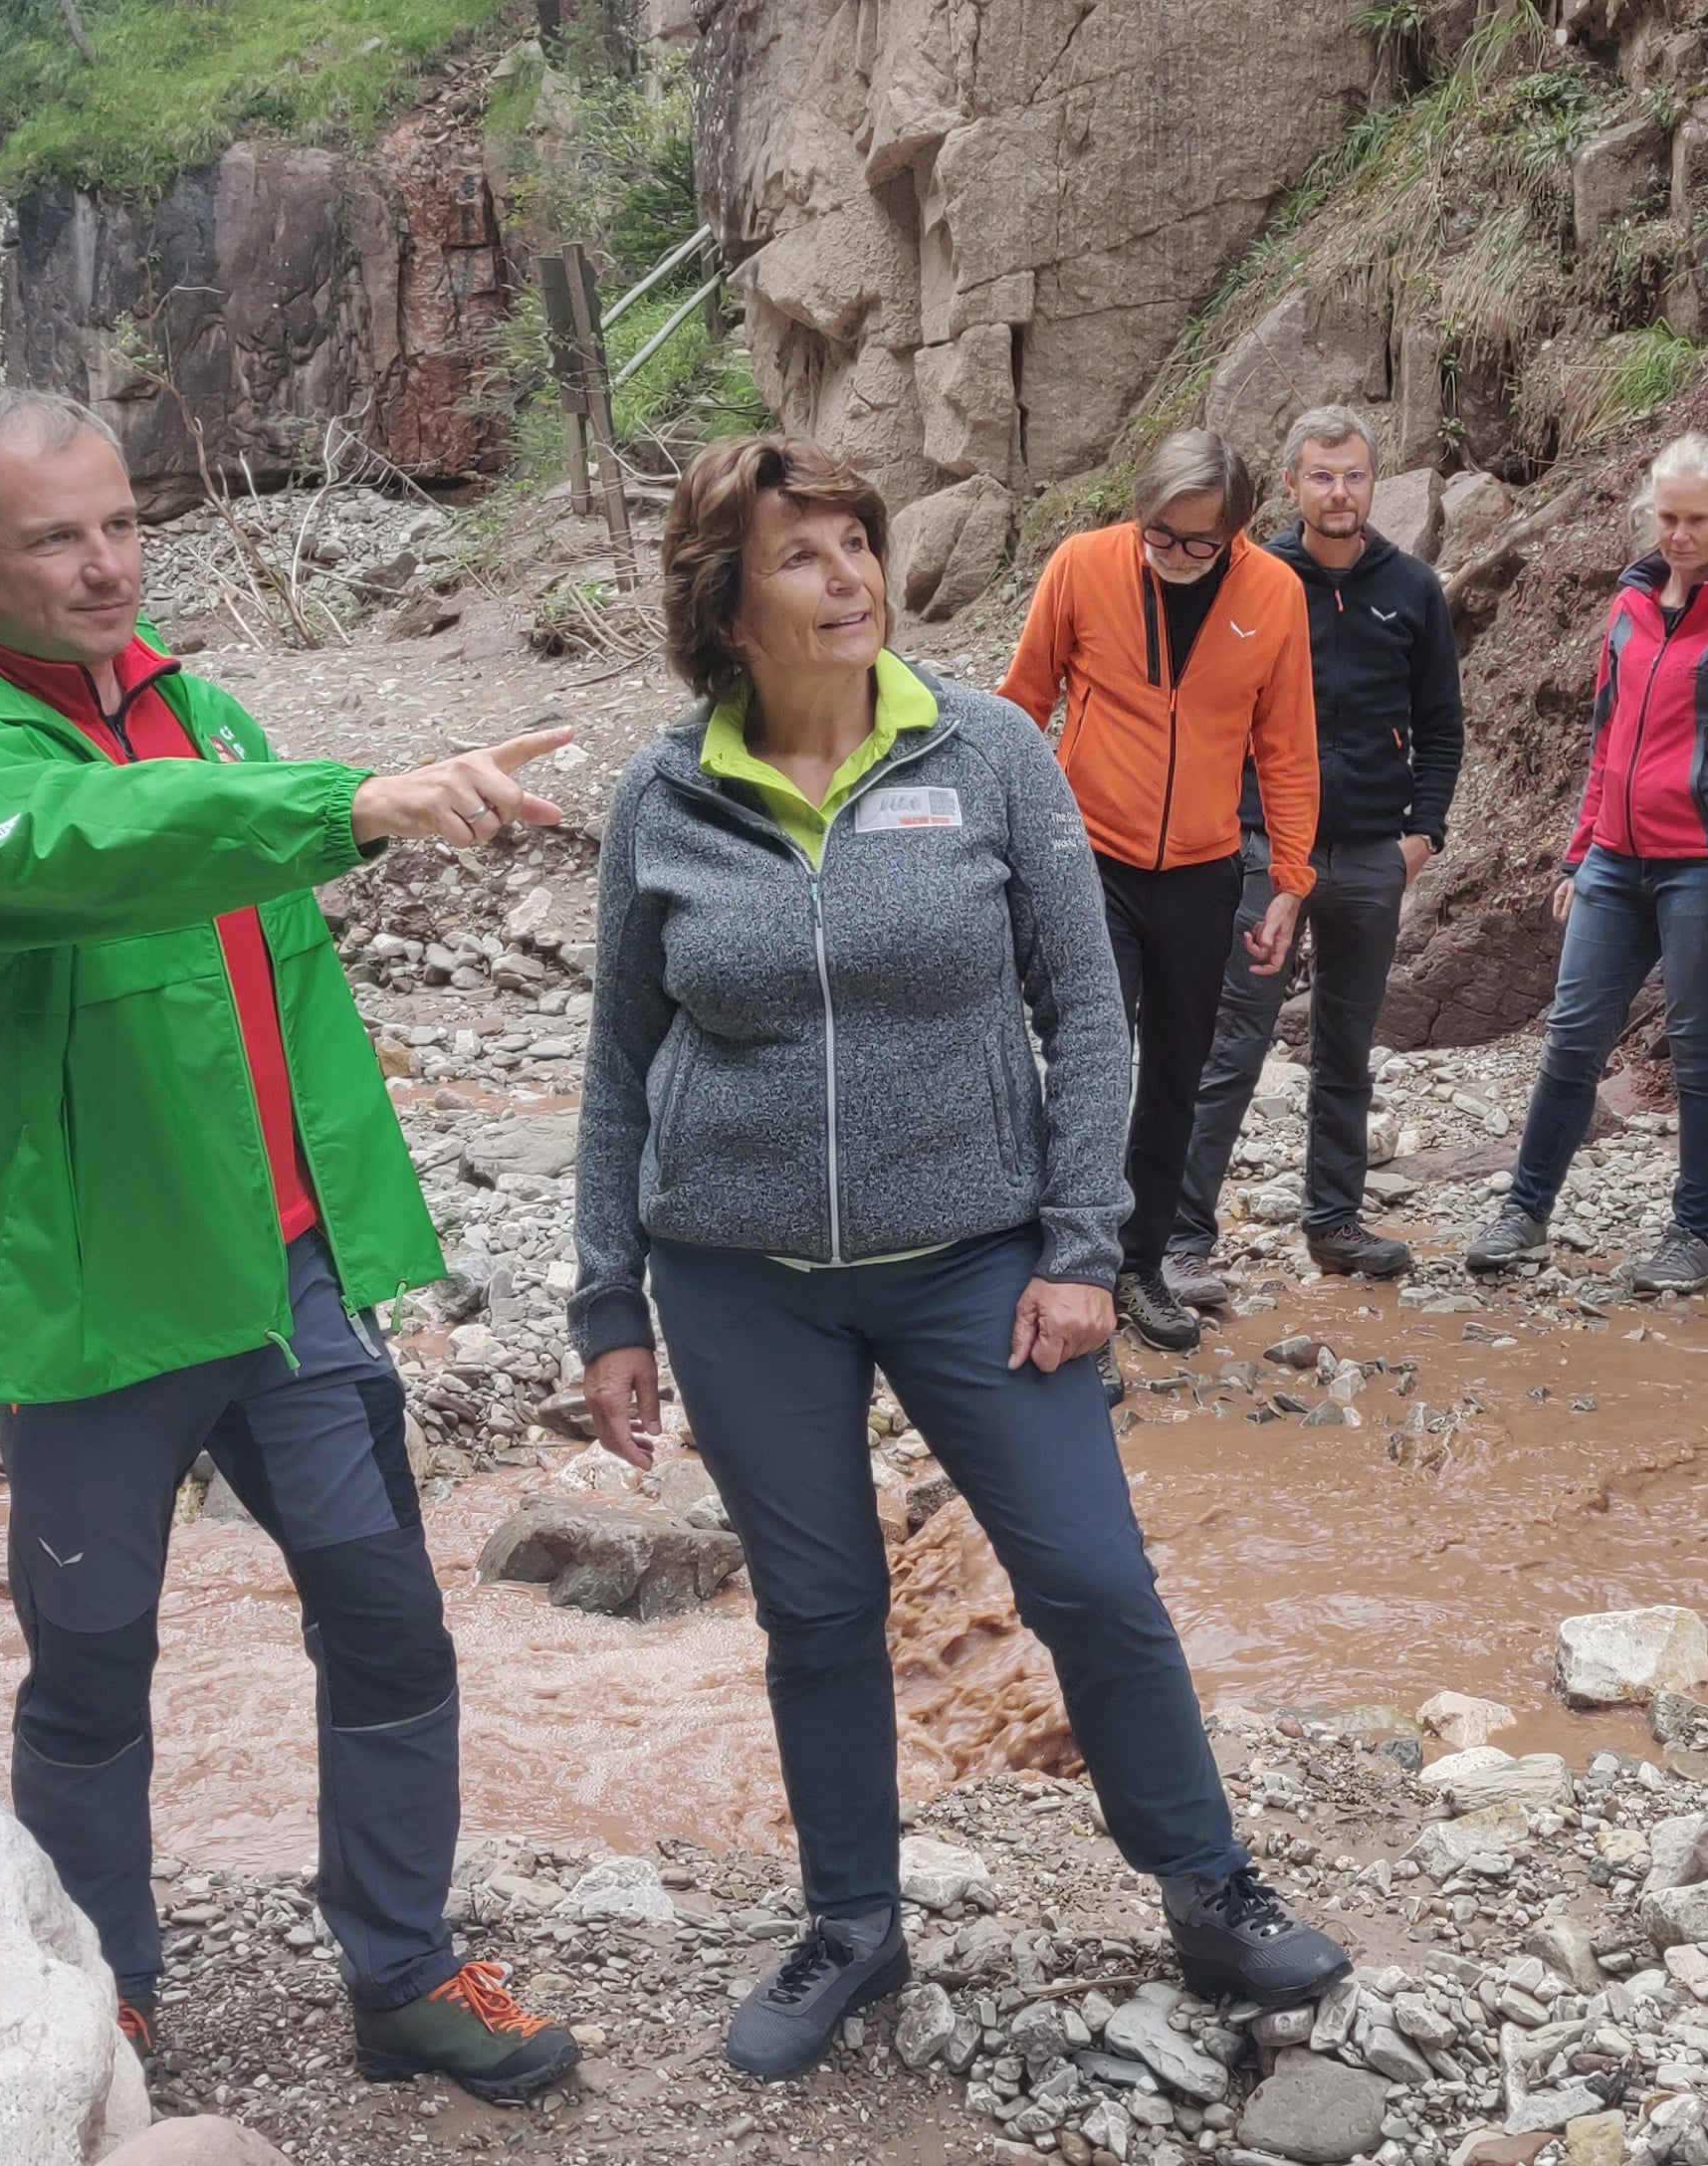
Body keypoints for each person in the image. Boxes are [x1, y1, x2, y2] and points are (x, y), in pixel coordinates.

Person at [571, 434, 1352, 2083]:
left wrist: (1081, 1247)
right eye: (802, 554)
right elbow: (617, 1065)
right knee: (821, 1608)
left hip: (976, 1262)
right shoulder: (662, 794)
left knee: (1088, 1578)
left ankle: (1205, 1890)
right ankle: (852, 1923)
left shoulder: (989, 750)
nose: (849, 573)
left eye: (856, 542)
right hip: (735, 1278)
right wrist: (605, 1301)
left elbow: (1089, 1012)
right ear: (724, 599)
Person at [0, 388, 580, 2100]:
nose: (107, 566)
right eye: (55, 537)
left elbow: (266, 963)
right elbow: (106, 845)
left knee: (390, 1621)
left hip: (286, 1274)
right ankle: (101, 1992)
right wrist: (363, 800)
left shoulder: (206, 710)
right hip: (103, 1299)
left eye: (120, 523)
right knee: (92, 1666)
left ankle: (402, 1972)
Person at [995, 428, 1324, 1353]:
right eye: (1161, 538)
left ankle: (1139, 1266)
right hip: (1087, 855)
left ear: (1238, 532)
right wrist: (1003, 839)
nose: (1177, 557)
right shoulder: (1082, 565)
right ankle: (1071, 1270)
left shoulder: (1275, 594)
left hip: (1204, 867)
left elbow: (1289, 750)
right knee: (1095, 1060)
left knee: (1178, 1070)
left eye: (1199, 544)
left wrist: (1290, 882)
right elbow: (1020, 704)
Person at [1465, 432, 1708, 1294]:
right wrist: (1578, 854)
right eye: (1666, 517)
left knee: (1699, 1050)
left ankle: (1693, 1233)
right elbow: (1607, 742)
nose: (1679, 534)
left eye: (1695, 519)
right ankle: (1524, 1211)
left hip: (1707, 869)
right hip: (1614, 863)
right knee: (1571, 1038)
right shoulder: (1630, 606)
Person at [1162, 406, 1466, 1303]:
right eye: (1321, 476)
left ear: (1376, 484)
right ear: (1290, 485)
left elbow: (1442, 725)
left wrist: (1423, 835)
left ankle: (1333, 1222)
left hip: (1374, 849)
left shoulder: (1411, 588)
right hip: (1257, 845)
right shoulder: (1249, 580)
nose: (1339, 492)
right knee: (1233, 1040)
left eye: (1355, 475)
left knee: (1347, 1042)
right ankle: (1182, 1238)